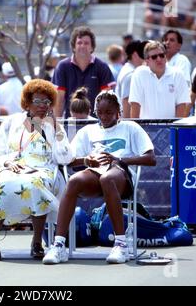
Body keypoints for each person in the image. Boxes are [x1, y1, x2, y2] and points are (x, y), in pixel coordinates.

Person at [43, 90, 156, 265]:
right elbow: (70, 161)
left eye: (109, 112)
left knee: (107, 179)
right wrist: (87, 160)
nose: (104, 116)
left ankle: (121, 244)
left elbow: (151, 158)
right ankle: (58, 244)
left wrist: (119, 159)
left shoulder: (131, 127)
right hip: (96, 173)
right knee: (73, 181)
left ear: (119, 111)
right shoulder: (88, 131)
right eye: (100, 112)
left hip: (121, 174)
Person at [0, 79, 74, 261]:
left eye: (47, 102)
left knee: (35, 184)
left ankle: (36, 242)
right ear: (27, 102)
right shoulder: (12, 122)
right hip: (12, 167)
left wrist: (56, 128)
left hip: (43, 169)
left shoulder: (52, 126)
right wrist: (6, 163)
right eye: (37, 101)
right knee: (2, 183)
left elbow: (65, 158)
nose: (42, 106)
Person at [52, 26, 114, 118]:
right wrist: (58, 126)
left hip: (96, 125)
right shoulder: (62, 67)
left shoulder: (102, 67)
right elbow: (59, 99)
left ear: (92, 47)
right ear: (73, 46)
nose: (82, 46)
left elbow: (107, 99)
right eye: (79, 43)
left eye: (86, 43)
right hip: (71, 124)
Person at [129, 41, 190, 118]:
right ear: (147, 61)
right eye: (154, 57)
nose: (159, 59)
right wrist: (136, 129)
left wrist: (176, 129)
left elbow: (181, 104)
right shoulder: (138, 74)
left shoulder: (177, 74)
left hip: (170, 128)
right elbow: (135, 104)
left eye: (161, 55)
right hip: (145, 128)